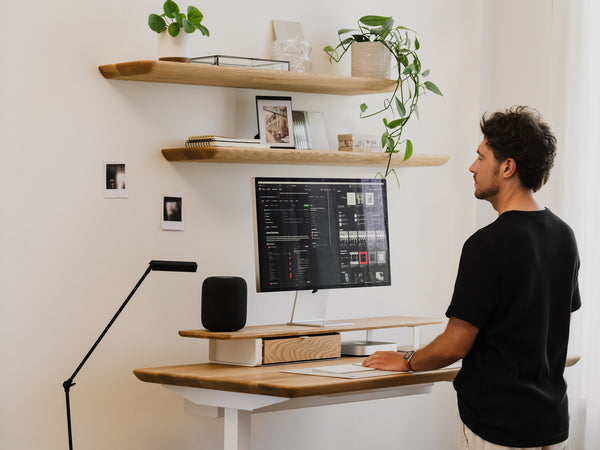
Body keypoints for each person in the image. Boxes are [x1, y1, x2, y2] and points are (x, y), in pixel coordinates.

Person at [362, 106, 581, 450]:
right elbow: (547, 329)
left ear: (507, 167)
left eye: (481, 157)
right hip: (550, 423)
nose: (472, 166)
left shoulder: (486, 244)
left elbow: (454, 345)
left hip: (498, 426)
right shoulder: (563, 235)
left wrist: (406, 361)